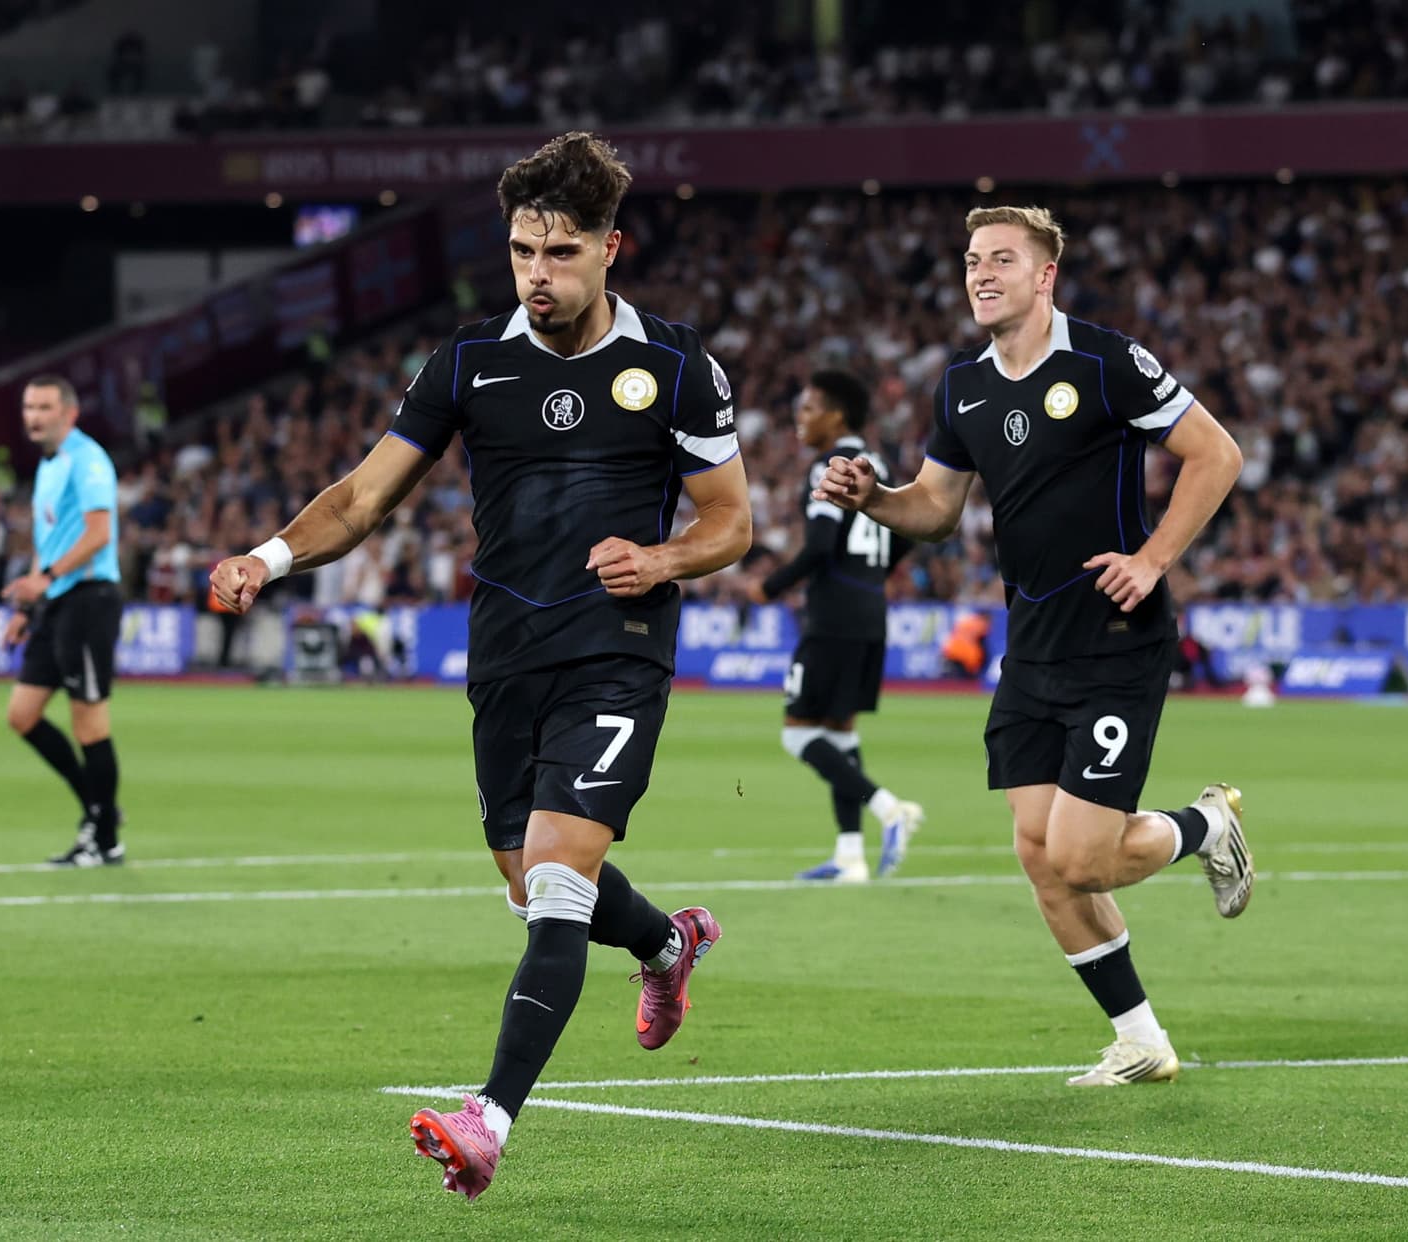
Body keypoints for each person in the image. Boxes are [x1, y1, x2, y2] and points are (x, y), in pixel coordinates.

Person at [207, 132, 750, 1197]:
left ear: (609, 249)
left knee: (552, 873)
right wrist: (267, 557)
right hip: (506, 652)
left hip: (617, 651)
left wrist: (661, 556)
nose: (537, 274)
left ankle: (489, 1118)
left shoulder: (675, 364)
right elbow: (363, 499)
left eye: (558, 252)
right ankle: (666, 943)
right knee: (528, 876)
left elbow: (730, 522)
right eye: (520, 252)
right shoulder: (468, 361)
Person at [817, 204, 1252, 1088]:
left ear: (1044, 274)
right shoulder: (961, 388)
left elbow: (1217, 455)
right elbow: (935, 511)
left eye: (1003, 259)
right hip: (1034, 648)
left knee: (1084, 856)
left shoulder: (1105, 360)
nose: (982, 273)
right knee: (1037, 854)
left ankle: (1209, 824)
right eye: (973, 259)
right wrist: (874, 496)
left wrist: (1153, 557)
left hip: (1116, 640)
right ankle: (1141, 1041)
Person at [744, 370, 921, 883]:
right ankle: (850, 856)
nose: (799, 419)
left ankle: (890, 808)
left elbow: (820, 547)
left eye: (808, 409)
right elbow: (908, 532)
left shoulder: (830, 466)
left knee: (799, 735)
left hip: (832, 618)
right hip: (870, 614)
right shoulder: (880, 464)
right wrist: (873, 576)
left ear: (835, 415)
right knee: (840, 734)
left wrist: (769, 587)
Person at [0, 374, 127, 867]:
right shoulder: (48, 467)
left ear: (69, 413)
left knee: (89, 723)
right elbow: (47, 544)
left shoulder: (87, 460)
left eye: (44, 407)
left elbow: (99, 534)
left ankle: (104, 835)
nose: (33, 415)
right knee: (21, 716)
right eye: (28, 406)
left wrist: (47, 577)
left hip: (89, 600)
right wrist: (27, 606)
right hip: (55, 602)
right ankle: (99, 811)